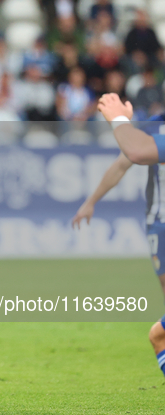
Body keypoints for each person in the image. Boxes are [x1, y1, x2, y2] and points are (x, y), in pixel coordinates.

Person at [75, 92, 165, 378]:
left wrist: (120, 119)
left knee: (158, 335)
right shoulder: (153, 128)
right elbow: (123, 162)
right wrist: (91, 201)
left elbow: (136, 151)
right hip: (160, 225)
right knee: (159, 335)